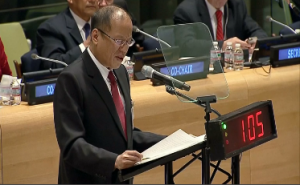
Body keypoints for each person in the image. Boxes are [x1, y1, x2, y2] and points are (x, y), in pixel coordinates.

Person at [53, 5, 165, 184]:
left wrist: (169, 142)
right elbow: (72, 146)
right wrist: (113, 161)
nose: (124, 49)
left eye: (128, 42)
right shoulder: (71, 79)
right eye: (119, 41)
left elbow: (123, 133)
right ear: (96, 36)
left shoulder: (120, 72)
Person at [36, 0, 111, 70]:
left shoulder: (104, 23)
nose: (92, 0)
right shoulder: (51, 28)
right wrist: (85, 46)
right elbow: (53, 66)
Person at [173, 0, 268, 53]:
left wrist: (252, 42)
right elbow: (185, 45)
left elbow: (258, 32)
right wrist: (222, 46)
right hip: (206, 74)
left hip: (235, 70)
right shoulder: (186, 11)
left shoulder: (236, 5)